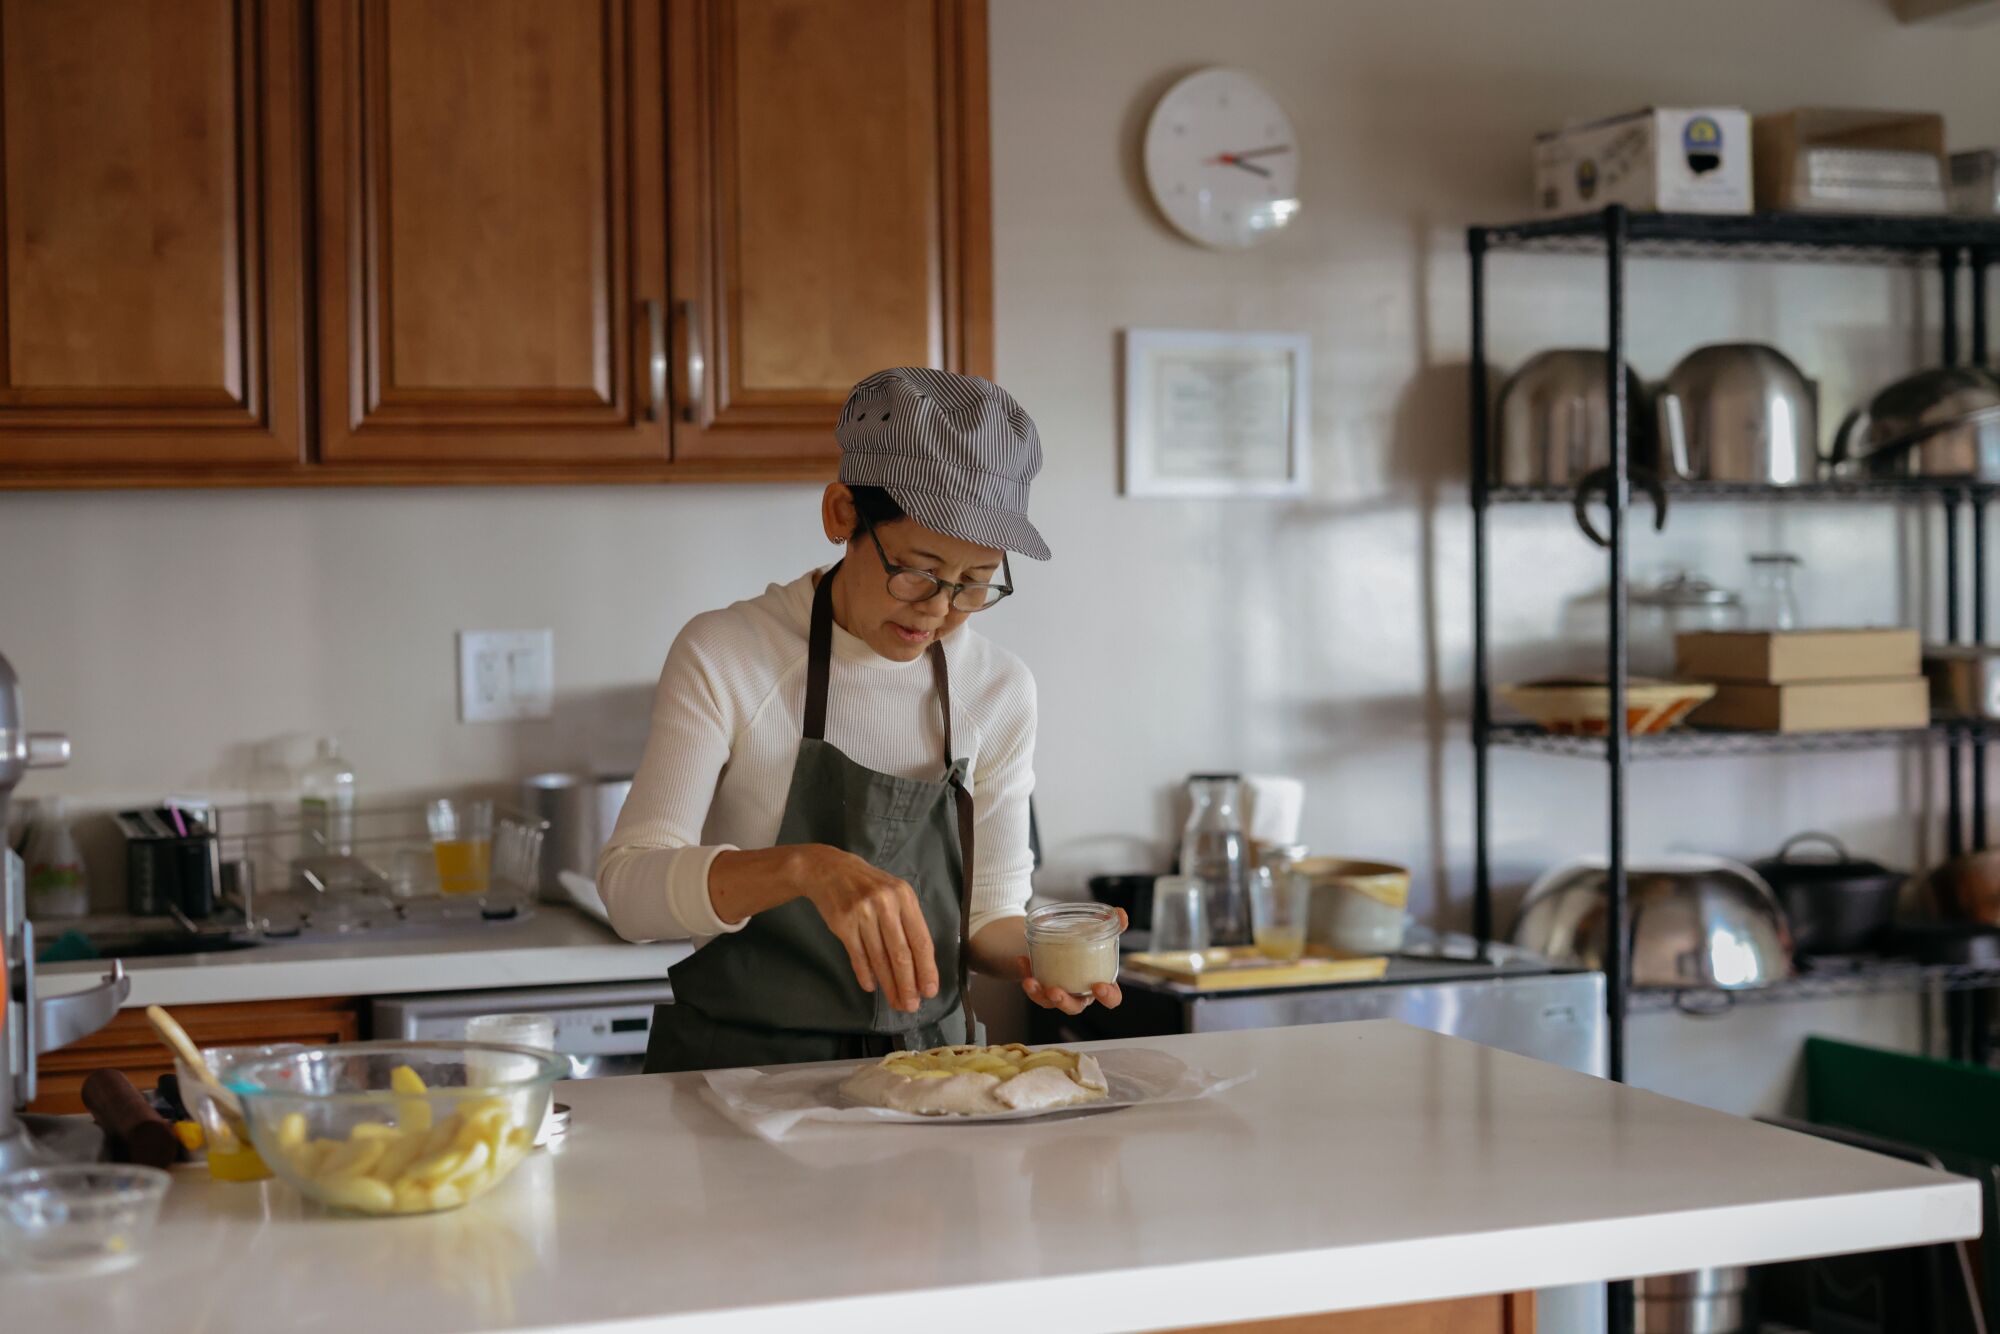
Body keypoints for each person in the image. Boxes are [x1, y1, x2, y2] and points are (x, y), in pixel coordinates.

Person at [598, 367, 1123, 1073]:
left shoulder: (997, 688)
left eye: (973, 585)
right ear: (843, 514)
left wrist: (1042, 958)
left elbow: (988, 916)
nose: (938, 612)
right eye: (918, 571)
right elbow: (629, 891)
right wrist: (805, 868)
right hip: (739, 1079)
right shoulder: (729, 653)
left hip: (931, 1079)